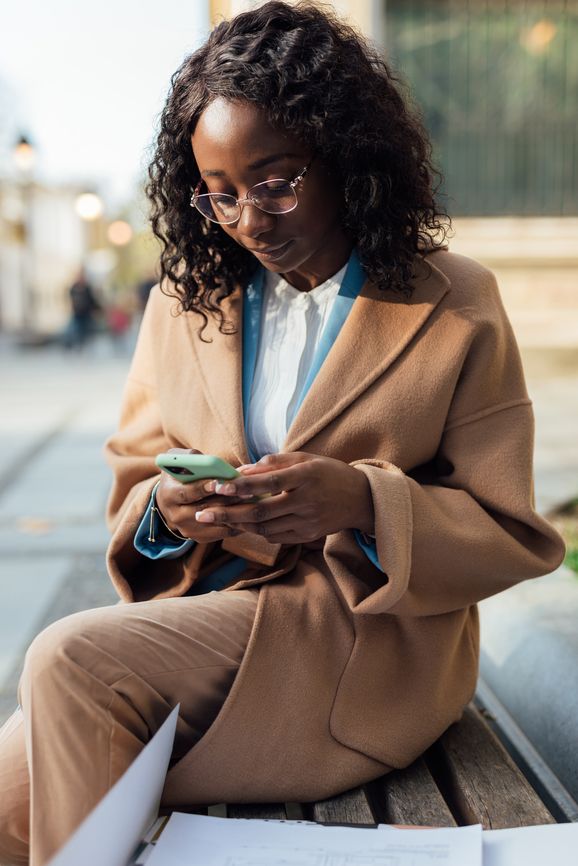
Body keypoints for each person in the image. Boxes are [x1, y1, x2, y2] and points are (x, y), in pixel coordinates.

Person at [0, 3, 565, 864]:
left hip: (359, 651)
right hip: (205, 622)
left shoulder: (454, 301)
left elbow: (515, 535)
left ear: (346, 158)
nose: (248, 220)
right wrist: (171, 510)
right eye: (219, 194)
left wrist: (364, 502)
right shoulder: (181, 305)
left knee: (69, 662)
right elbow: (133, 490)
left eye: (275, 182)